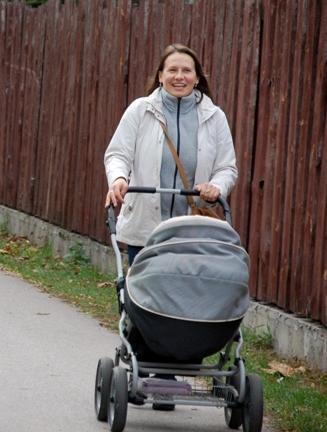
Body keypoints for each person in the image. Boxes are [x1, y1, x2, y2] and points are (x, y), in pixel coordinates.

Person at [103, 43, 238, 411]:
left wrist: (217, 187)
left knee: (186, 299)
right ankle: (156, 375)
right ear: (160, 75)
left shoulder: (214, 117)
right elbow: (117, 153)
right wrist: (118, 179)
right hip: (146, 224)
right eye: (172, 70)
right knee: (146, 298)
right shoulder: (141, 110)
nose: (180, 77)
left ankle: (167, 375)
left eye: (187, 71)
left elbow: (228, 167)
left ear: (198, 77)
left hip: (194, 231)